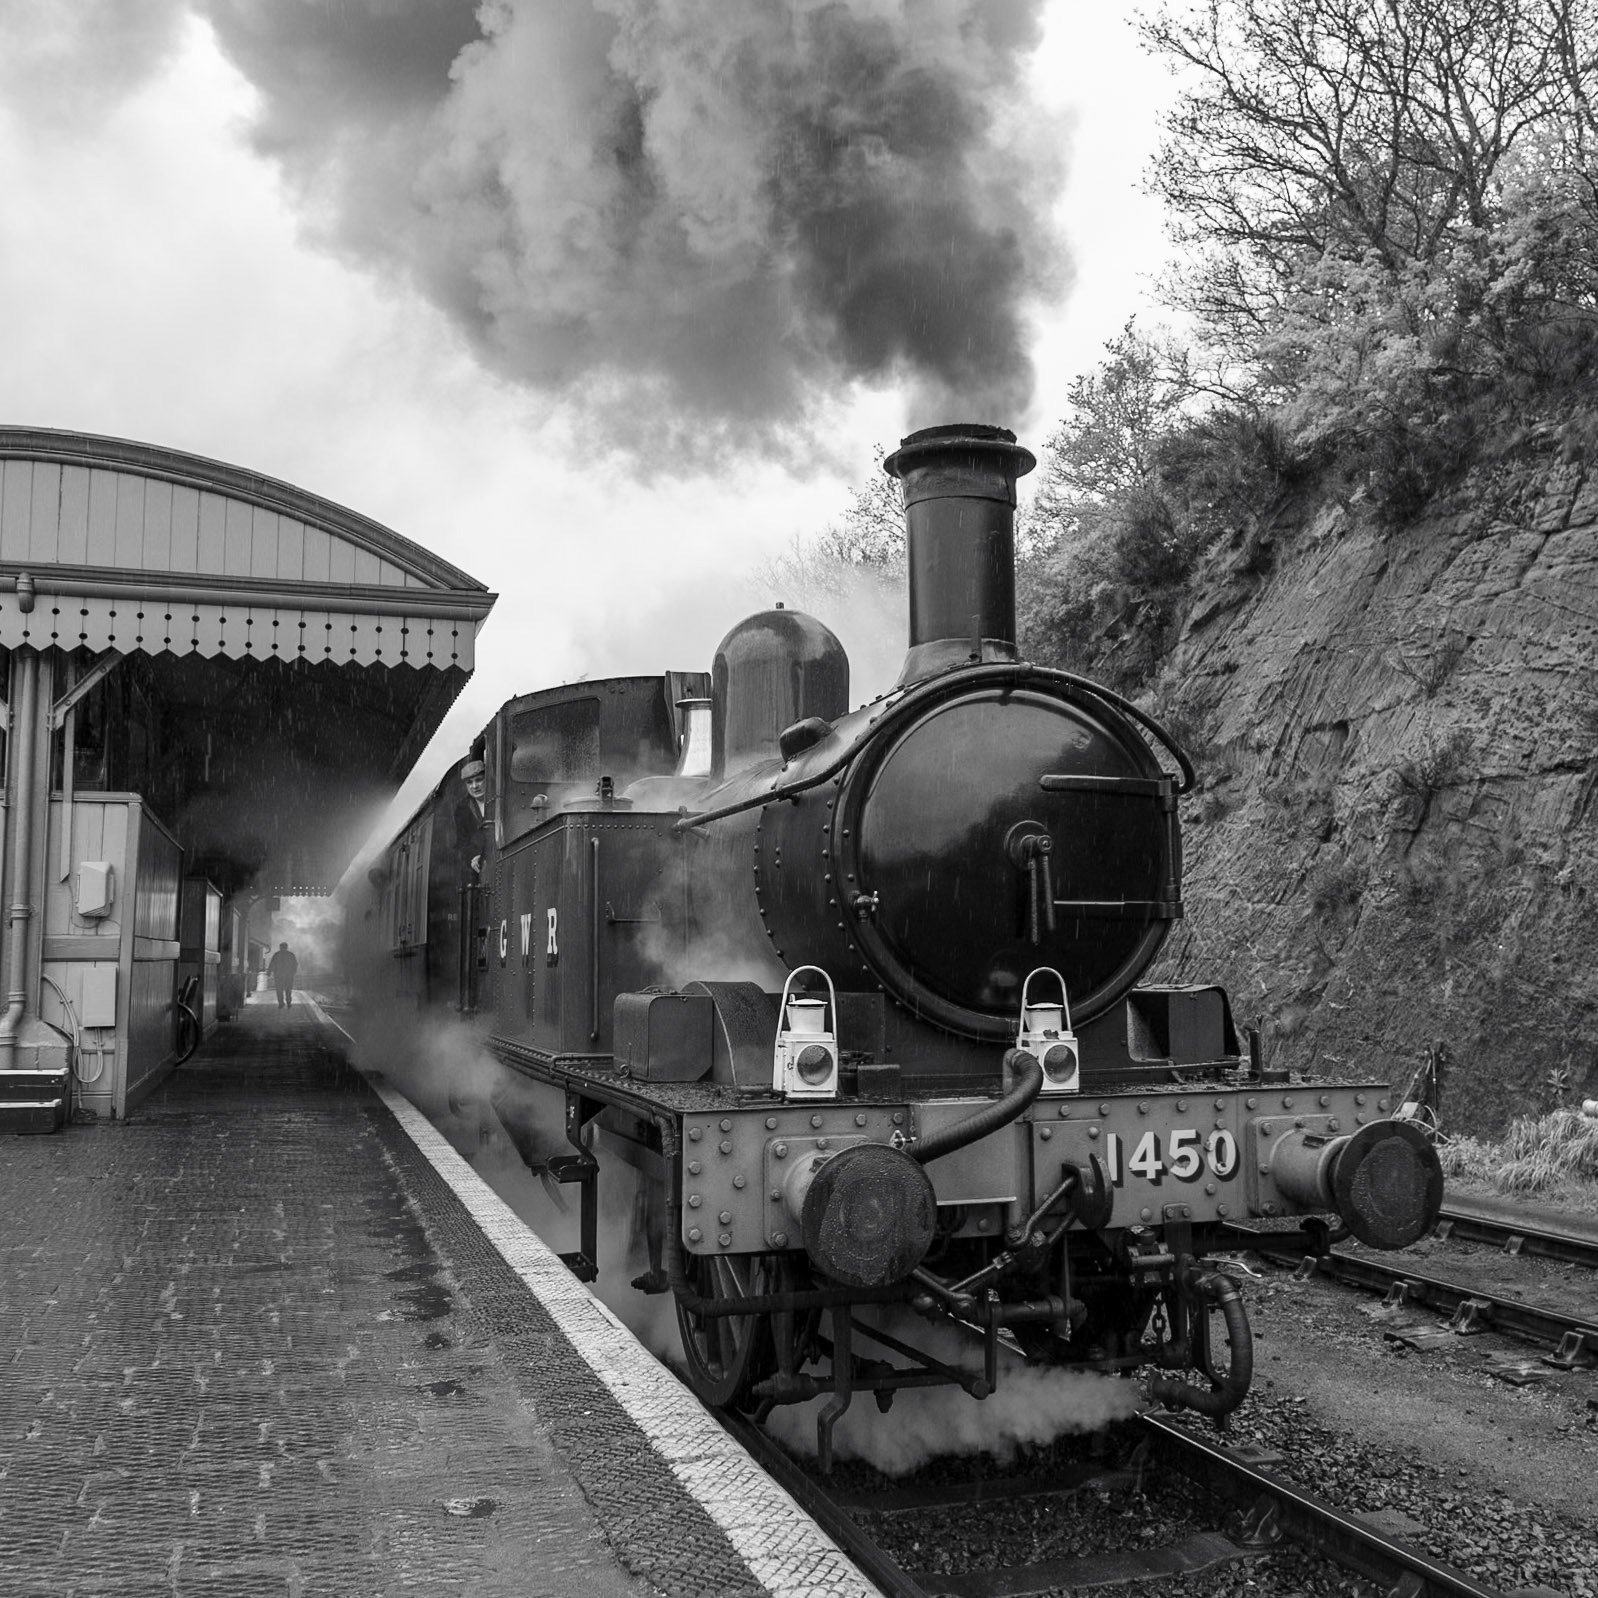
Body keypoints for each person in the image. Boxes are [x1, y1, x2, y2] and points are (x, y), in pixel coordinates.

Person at [453, 757, 490, 878]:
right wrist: (473, 856)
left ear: (487, 779)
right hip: (478, 868)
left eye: (479, 780)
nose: (474, 786)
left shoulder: (498, 797)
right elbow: (462, 842)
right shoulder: (462, 809)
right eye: (470, 782)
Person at [267, 942, 298, 1008]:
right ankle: (288, 1002)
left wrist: (269, 972)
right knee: (288, 990)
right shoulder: (291, 955)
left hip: (278, 975)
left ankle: (281, 1003)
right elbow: (295, 964)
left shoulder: (276, 955)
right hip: (288, 976)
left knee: (279, 990)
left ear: (280, 947)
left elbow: (272, 964)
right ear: (287, 947)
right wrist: (293, 972)